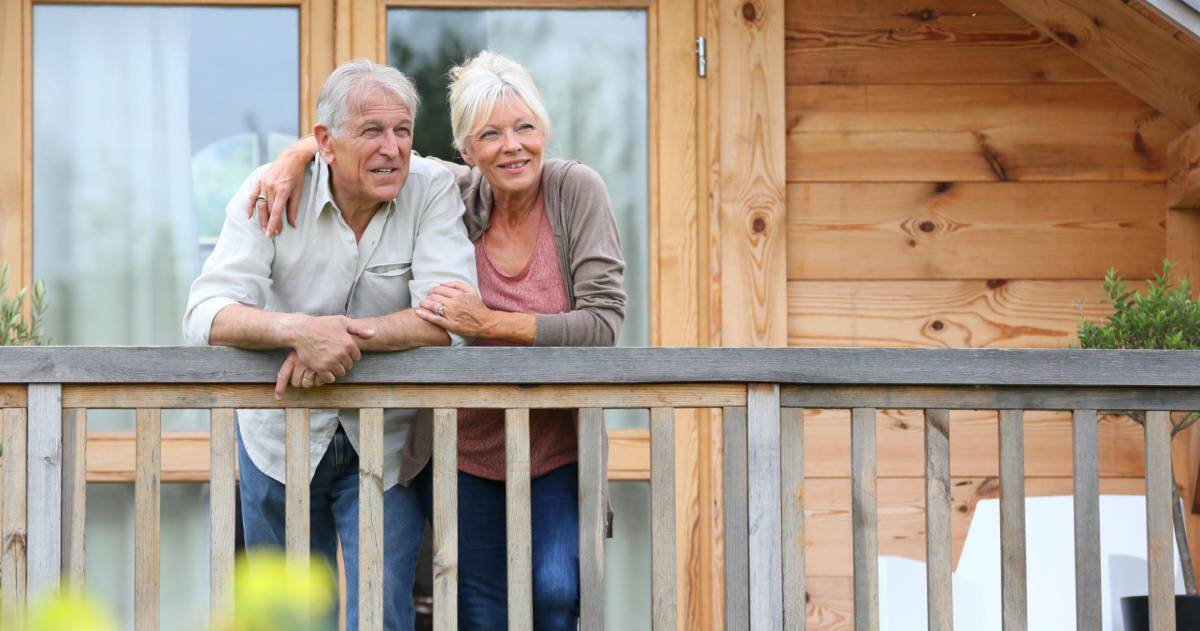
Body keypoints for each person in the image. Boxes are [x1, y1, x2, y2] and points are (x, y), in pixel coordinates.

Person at [250, 51, 626, 630]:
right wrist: (295, 156)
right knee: (478, 612)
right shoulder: (448, 191)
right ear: (465, 149)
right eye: (491, 134)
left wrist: (488, 324)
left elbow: (602, 325)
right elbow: (362, 148)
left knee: (557, 595)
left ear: (544, 130)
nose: (513, 146)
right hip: (463, 451)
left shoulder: (575, 191)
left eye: (525, 127)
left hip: (555, 449)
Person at [183, 59, 478, 631]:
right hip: (277, 437)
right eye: (371, 131)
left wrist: (343, 341)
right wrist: (297, 330)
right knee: (292, 619)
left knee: (382, 616)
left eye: (403, 131)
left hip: (386, 442)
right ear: (324, 142)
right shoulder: (266, 191)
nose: (392, 148)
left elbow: (452, 316)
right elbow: (205, 313)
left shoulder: (432, 187)